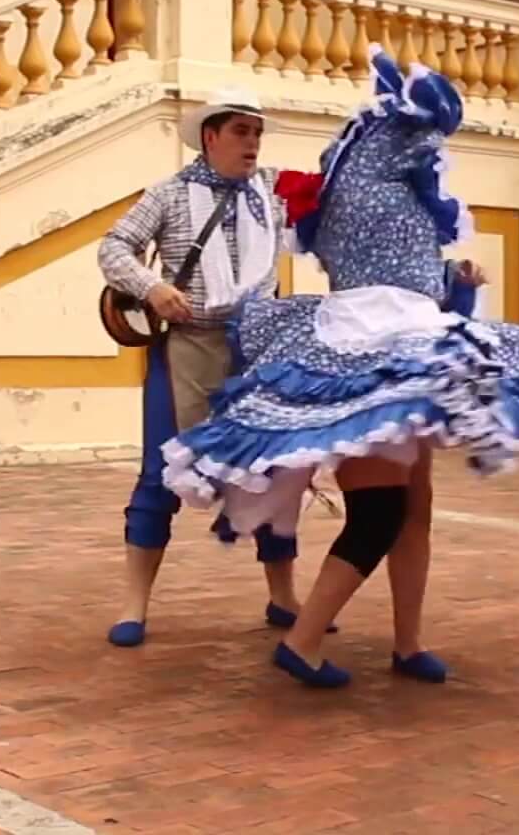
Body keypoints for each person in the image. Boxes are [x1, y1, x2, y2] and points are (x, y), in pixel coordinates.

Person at [159, 46, 519, 688]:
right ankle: (304, 641)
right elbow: (382, 273)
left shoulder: (394, 191)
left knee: (416, 503)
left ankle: (408, 642)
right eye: (423, 132)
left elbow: (413, 275)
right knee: (381, 513)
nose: (432, 147)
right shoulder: (365, 192)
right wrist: (447, 285)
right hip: (369, 344)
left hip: (411, 335)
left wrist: (456, 283)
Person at [95, 88, 315, 649]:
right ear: (210, 136)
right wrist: (153, 286)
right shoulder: (169, 194)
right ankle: (134, 605)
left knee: (274, 473)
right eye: (240, 131)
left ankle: (283, 595)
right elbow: (114, 248)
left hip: (261, 349)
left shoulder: (273, 193)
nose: (252, 142)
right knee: (159, 474)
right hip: (188, 347)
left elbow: (332, 222)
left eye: (257, 132)